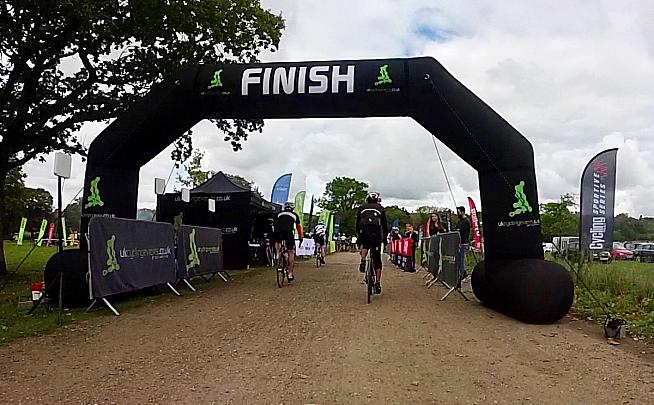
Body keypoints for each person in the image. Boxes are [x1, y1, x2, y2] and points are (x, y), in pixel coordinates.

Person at [356, 192, 388, 295]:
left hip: (364, 232)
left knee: (365, 245)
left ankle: (363, 259)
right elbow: (384, 224)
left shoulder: (362, 207)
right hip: (376, 233)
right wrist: (385, 238)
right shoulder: (380, 208)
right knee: (377, 258)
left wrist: (359, 237)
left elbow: (357, 223)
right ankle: (378, 283)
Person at [274, 202, 303, 281]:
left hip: (278, 231)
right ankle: (290, 273)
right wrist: (300, 237)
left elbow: (275, 223)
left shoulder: (279, 214)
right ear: (292, 208)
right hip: (288, 232)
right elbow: (298, 227)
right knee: (291, 252)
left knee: (278, 242)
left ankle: (277, 254)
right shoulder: (295, 215)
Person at [455, 206, 471, 282]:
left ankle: (462, 275)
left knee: (462, 260)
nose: (458, 213)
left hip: (463, 243)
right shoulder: (459, 221)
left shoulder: (466, 221)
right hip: (458, 243)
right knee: (459, 260)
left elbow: (463, 232)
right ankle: (463, 273)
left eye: (458, 212)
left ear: (462, 212)